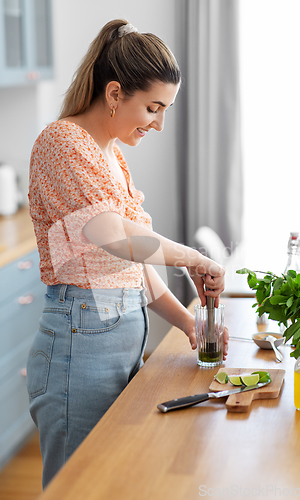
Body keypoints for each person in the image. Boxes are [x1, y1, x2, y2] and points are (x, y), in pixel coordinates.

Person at [26, 19, 228, 488]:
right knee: (77, 488)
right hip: (78, 350)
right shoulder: (63, 143)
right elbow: (116, 236)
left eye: (165, 109)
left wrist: (186, 322)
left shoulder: (110, 155)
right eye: (153, 107)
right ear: (115, 94)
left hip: (114, 349)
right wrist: (194, 259)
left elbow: (129, 265)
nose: (158, 123)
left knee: (113, 483)